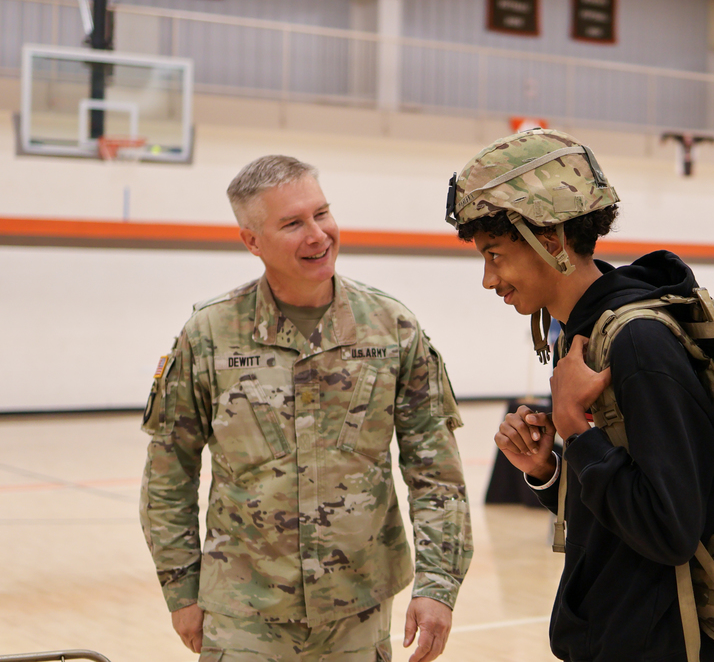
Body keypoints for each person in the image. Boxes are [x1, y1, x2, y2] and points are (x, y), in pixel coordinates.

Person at [140, 155, 472, 662]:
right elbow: (168, 474)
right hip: (244, 613)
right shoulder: (209, 334)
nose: (318, 234)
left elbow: (437, 474)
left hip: (358, 615)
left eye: (322, 213)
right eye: (293, 223)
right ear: (253, 241)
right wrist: (181, 590)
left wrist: (437, 585)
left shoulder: (392, 328)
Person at [445, 129, 714, 662]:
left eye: (496, 255)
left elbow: (671, 530)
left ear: (550, 242)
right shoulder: (590, 336)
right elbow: (620, 514)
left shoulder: (639, 344)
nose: (488, 280)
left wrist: (576, 429)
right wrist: (549, 470)